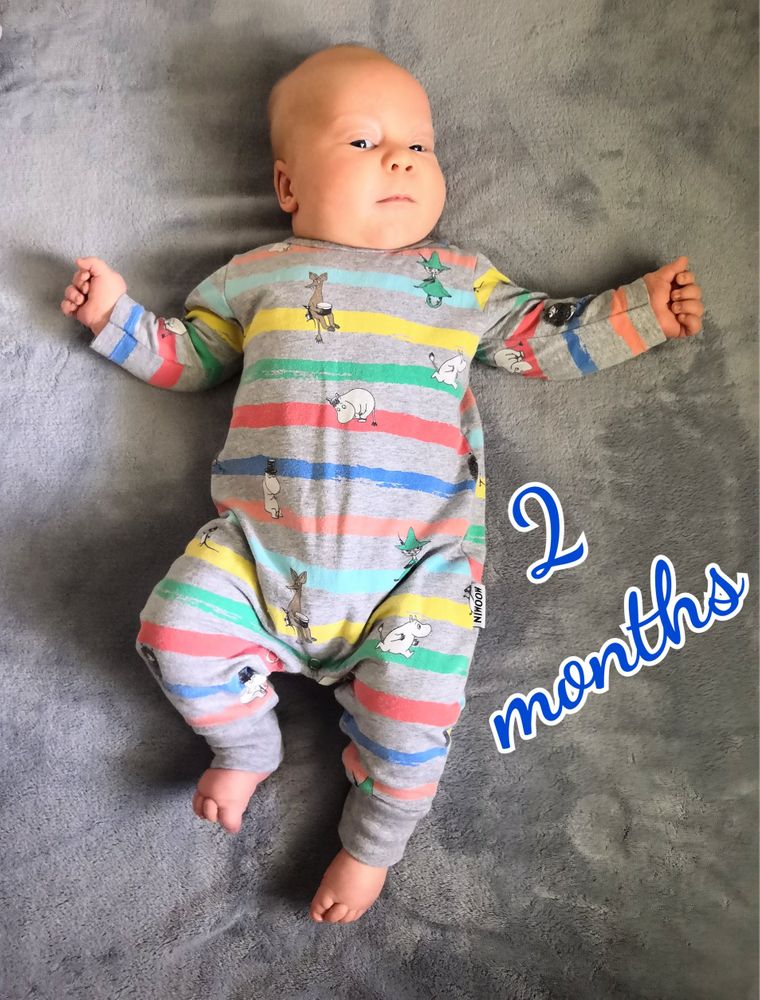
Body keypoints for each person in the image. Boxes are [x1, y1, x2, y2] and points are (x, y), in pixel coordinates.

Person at [60, 43, 704, 925]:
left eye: (418, 145)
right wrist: (115, 317)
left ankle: (370, 846)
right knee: (171, 629)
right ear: (288, 186)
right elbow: (192, 355)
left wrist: (642, 312)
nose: (400, 159)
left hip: (415, 577)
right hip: (258, 559)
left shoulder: (460, 280)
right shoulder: (256, 275)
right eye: (363, 142)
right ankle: (243, 745)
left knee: (417, 722)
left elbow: (542, 337)